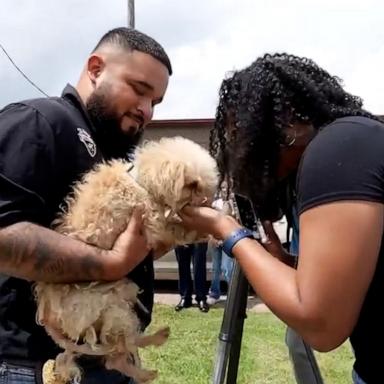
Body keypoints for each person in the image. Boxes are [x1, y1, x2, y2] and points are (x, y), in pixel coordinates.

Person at [180, 53, 384, 384]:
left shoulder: (337, 148)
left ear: (280, 122)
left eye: (241, 135)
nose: (239, 151)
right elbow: (349, 281)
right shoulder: (356, 139)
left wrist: (228, 231)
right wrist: (284, 261)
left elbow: (322, 325)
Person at [0, 27, 172, 384]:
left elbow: (90, 246)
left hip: (103, 362)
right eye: (139, 91)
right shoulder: (41, 121)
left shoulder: (108, 152)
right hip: (36, 366)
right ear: (95, 69)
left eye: (155, 102)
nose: (146, 110)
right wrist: (114, 263)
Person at [207, 196, 234, 305]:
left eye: (225, 188)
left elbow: (232, 222)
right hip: (215, 239)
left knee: (226, 267)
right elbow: (209, 222)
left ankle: (232, 294)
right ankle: (214, 293)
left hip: (227, 239)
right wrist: (212, 237)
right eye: (222, 187)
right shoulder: (215, 203)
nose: (223, 190)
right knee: (215, 269)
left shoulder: (232, 204)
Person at [174, 243, 210, 312]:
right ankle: (185, 297)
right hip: (182, 235)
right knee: (183, 266)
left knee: (199, 266)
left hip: (199, 235)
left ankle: (201, 298)